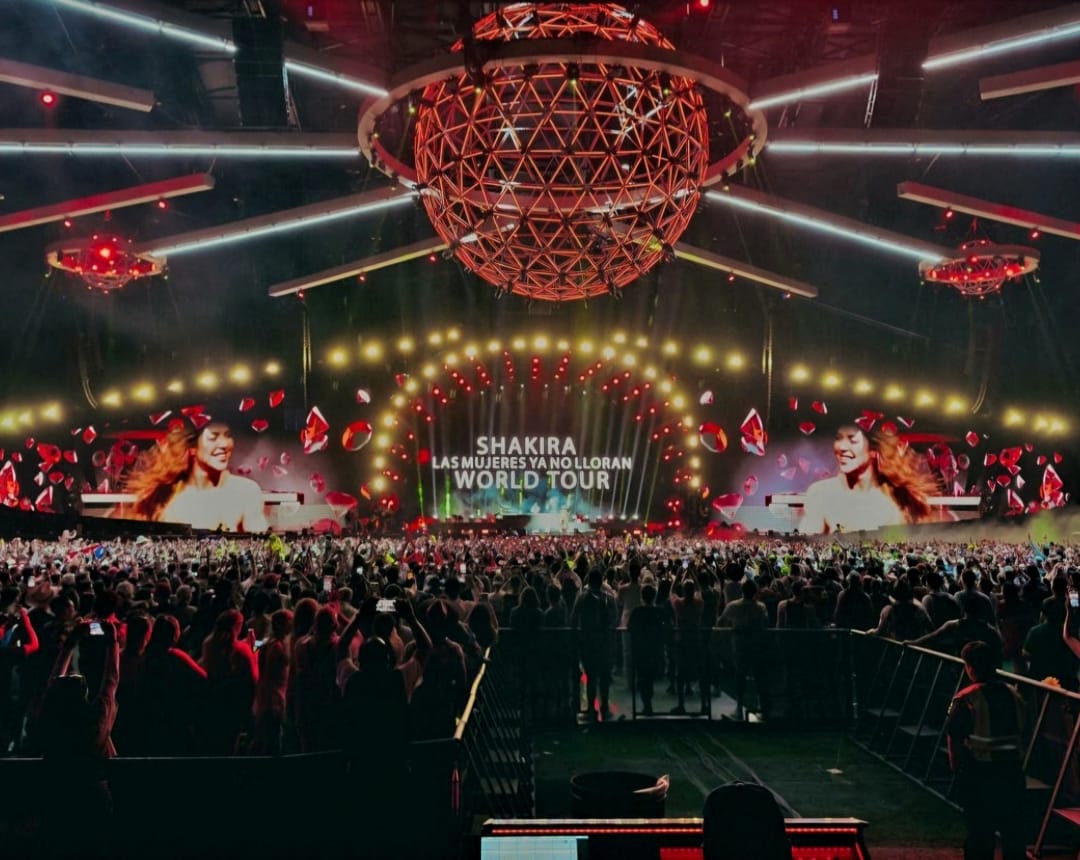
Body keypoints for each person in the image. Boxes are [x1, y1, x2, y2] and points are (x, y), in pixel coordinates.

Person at [944, 641, 1026, 860]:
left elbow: (954, 737)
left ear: (970, 668)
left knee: (980, 834)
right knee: (1013, 834)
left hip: (979, 774)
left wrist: (957, 770)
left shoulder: (966, 697)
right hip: (1011, 772)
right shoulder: (1014, 694)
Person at [122, 422, 268, 532]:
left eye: (228, 436)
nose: (225, 444)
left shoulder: (246, 491)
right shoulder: (168, 496)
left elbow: (259, 541)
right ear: (192, 447)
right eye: (213, 437)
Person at [800, 425, 941, 534]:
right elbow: (808, 543)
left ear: (873, 450)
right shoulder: (821, 493)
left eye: (852, 440)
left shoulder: (896, 500)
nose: (841, 447)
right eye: (838, 438)